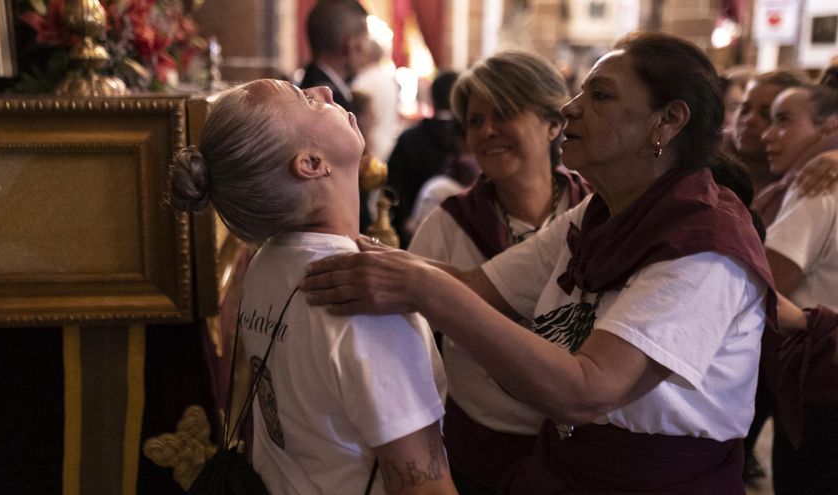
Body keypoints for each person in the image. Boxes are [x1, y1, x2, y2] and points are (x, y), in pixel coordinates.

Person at [301, 32, 776, 493]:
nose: (570, 107)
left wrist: (424, 289)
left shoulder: (704, 246)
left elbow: (587, 390)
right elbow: (476, 285)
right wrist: (328, 244)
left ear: (667, 121)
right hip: (568, 465)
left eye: (600, 95)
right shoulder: (598, 212)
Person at [167, 79, 457, 495]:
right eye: (306, 99)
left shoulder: (267, 260)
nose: (323, 90)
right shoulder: (363, 299)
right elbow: (424, 487)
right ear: (311, 163)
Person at [407, 50, 589, 495]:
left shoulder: (596, 214)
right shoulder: (447, 225)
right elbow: (407, 347)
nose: (487, 130)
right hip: (482, 452)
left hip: (588, 450)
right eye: (474, 121)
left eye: (504, 113)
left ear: (553, 124)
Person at [758, 82, 838, 494]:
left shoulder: (822, 181)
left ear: (829, 126)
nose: (767, 134)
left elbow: (764, 284)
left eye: (783, 120)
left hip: (821, 385)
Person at [300, 0, 372, 231]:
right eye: (365, 41)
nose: (368, 50)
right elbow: (343, 178)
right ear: (352, 45)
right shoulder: (327, 101)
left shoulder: (312, 84)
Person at [387, 70, 460, 247]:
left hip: (409, 238)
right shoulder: (468, 139)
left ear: (431, 99)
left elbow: (392, 185)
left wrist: (404, 221)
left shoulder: (409, 138)